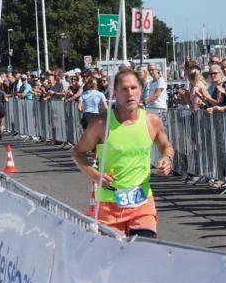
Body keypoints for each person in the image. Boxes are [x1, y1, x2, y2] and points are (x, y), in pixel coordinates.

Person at [70, 68, 175, 239]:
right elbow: (77, 153)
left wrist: (167, 158)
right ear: (115, 93)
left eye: (134, 88)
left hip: (142, 203)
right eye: (124, 89)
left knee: (144, 252)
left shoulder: (152, 121)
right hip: (109, 205)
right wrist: (95, 175)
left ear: (141, 91)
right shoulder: (101, 124)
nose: (130, 94)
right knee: (113, 260)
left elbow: (167, 146)